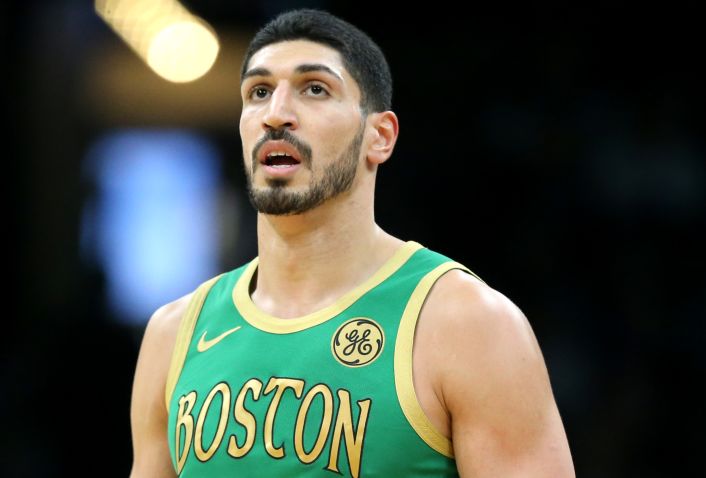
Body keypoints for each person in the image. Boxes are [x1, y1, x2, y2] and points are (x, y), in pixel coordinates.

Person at [129, 8, 575, 478]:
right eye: (259, 92)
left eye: (315, 89)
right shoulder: (174, 333)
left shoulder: (466, 324)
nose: (276, 114)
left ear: (379, 136)